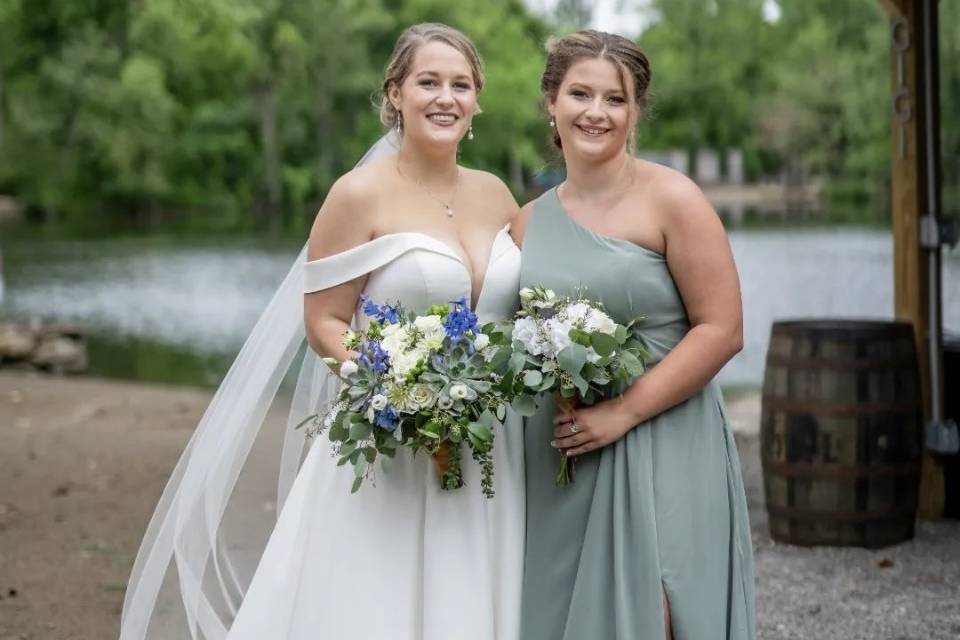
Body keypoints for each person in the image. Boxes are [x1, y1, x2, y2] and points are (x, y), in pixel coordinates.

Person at [120, 23, 524, 640]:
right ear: (396, 93)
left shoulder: (497, 194)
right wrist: (398, 396)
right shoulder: (357, 195)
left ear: (476, 101)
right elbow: (325, 321)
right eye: (428, 82)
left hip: (492, 446)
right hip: (395, 440)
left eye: (461, 85)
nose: (446, 97)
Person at [511, 30, 755, 640]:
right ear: (551, 102)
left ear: (636, 110)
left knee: (666, 611)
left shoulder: (674, 199)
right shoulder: (524, 224)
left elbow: (722, 330)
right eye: (580, 94)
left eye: (614, 99)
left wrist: (622, 413)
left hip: (667, 439)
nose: (596, 112)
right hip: (565, 453)